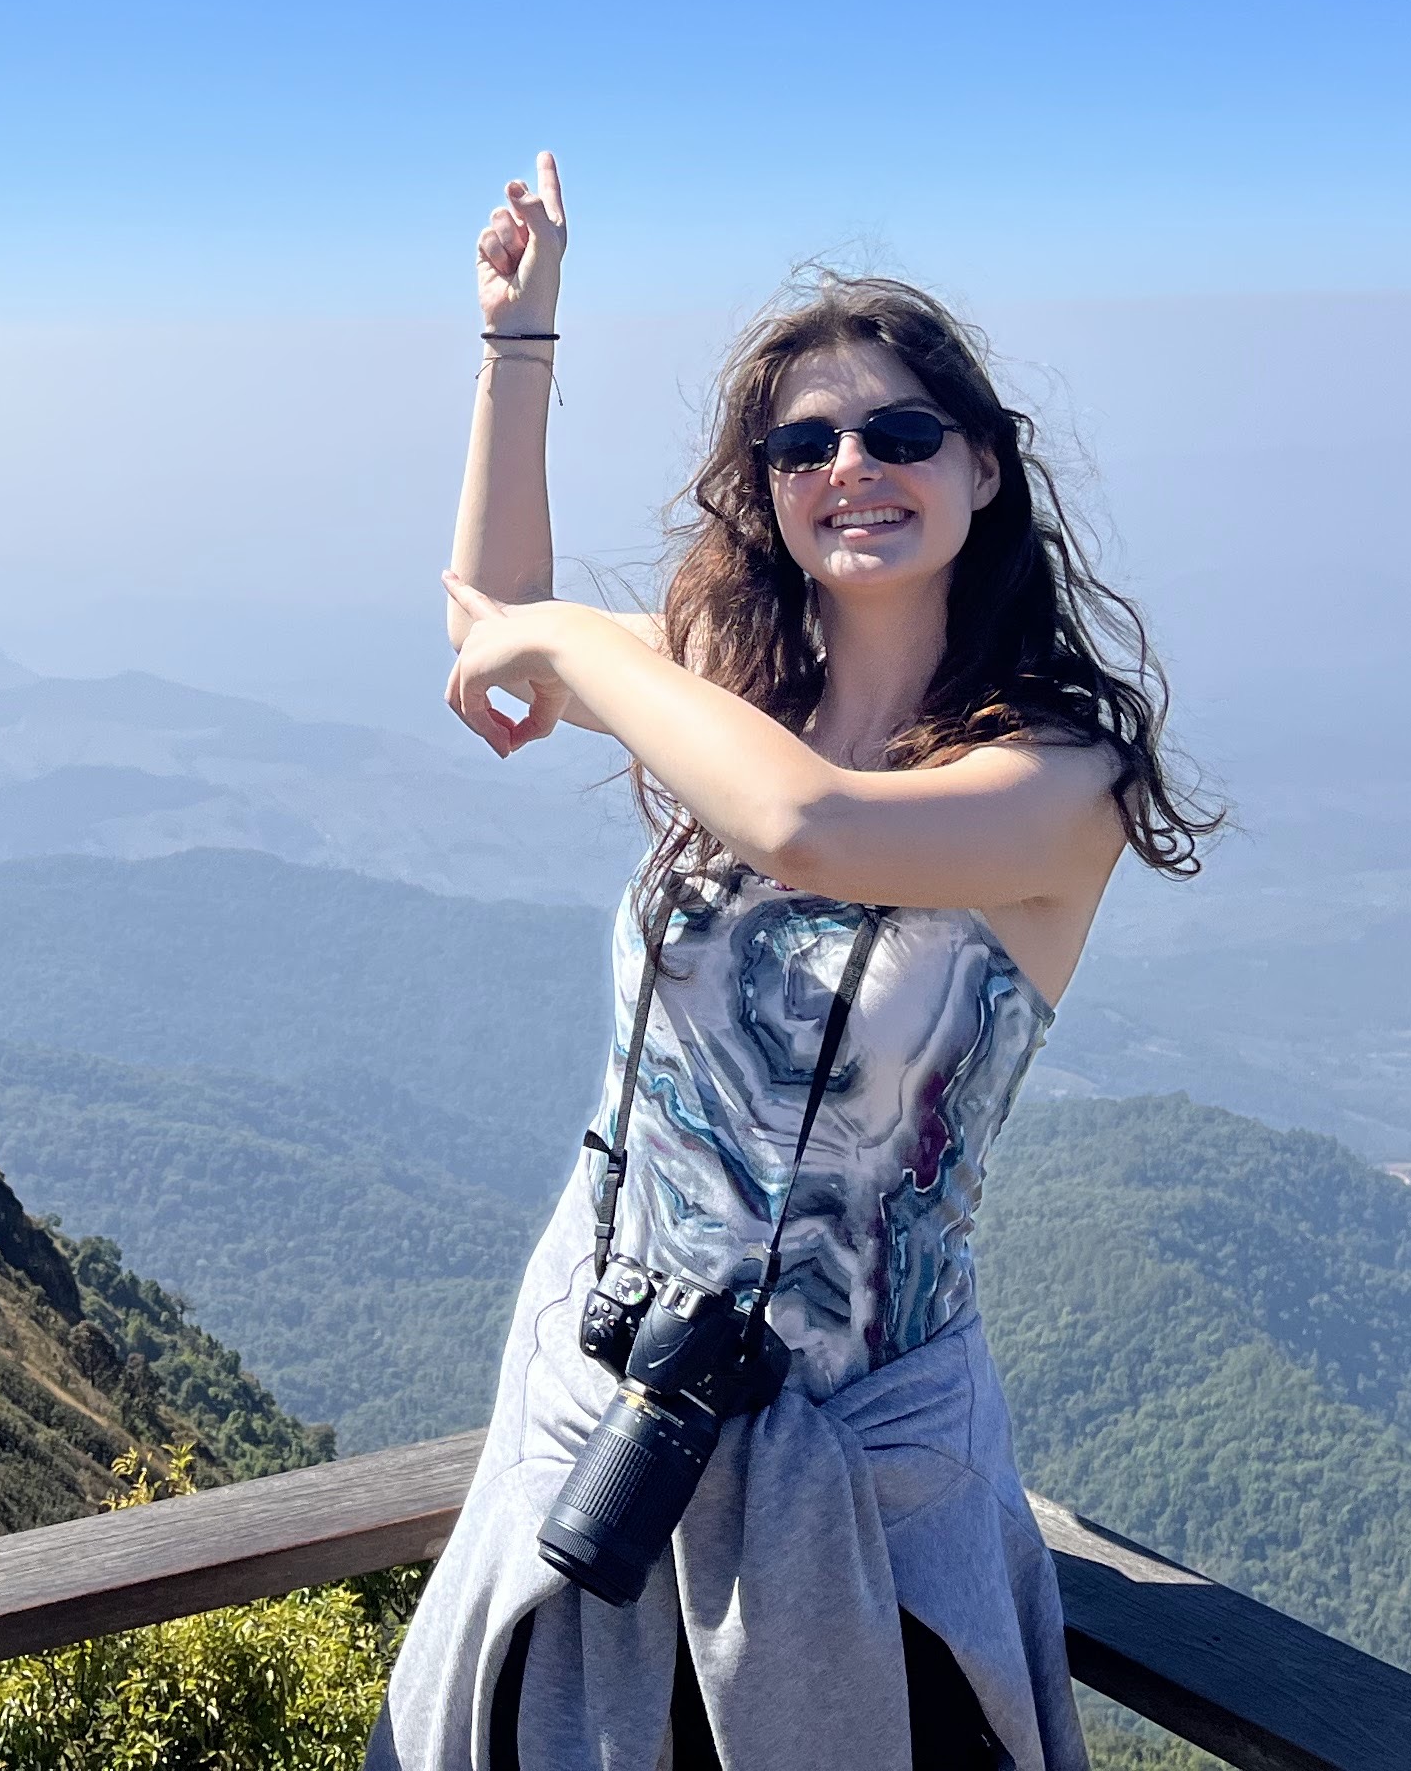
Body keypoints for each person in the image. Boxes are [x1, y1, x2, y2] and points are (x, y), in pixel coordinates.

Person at [372, 155, 1216, 1771]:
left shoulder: (1060, 780)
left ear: (980, 470)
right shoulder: (735, 695)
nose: (852, 467)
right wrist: (520, 341)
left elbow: (818, 829)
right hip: (609, 1423)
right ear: (763, 485)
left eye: (900, 433)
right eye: (803, 443)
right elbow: (494, 617)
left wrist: (571, 649)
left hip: (860, 1502)